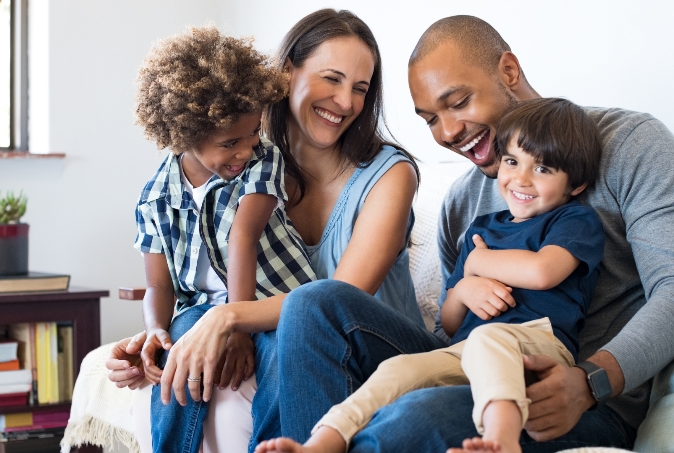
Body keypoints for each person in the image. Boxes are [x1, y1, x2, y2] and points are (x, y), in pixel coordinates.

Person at [267, 15, 674, 452]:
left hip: (572, 394)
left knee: (413, 417)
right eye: (430, 119)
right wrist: (464, 290)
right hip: (471, 367)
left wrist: (590, 381)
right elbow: (451, 330)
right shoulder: (463, 202)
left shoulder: (631, 143)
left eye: (459, 103)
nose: (448, 132)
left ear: (509, 71)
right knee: (314, 303)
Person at [105, 9, 437, 453]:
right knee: (193, 366)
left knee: (292, 330)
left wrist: (228, 318)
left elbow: (334, 303)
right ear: (285, 74)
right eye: (331, 79)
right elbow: (196, 277)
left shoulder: (389, 176)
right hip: (282, 336)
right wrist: (156, 336)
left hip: (369, 350)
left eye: (360, 88)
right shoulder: (240, 161)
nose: (345, 102)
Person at [256, 97, 606, 453]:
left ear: (575, 185)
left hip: (537, 347)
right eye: (513, 162)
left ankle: (501, 441)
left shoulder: (573, 220)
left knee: (490, 340)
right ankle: (319, 444)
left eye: (543, 169)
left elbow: (543, 271)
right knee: (397, 371)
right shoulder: (481, 229)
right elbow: (451, 323)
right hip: (467, 350)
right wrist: (465, 289)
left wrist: (477, 265)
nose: (521, 179)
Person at [131, 26, 316, 453]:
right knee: (177, 351)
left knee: (282, 356)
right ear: (183, 136)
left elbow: (242, 239)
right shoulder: (155, 197)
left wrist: (238, 328)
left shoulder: (262, 159)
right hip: (200, 309)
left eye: (253, 134)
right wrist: (155, 330)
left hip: (273, 300)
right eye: (230, 142)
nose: (246, 150)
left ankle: (275, 446)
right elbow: (159, 285)